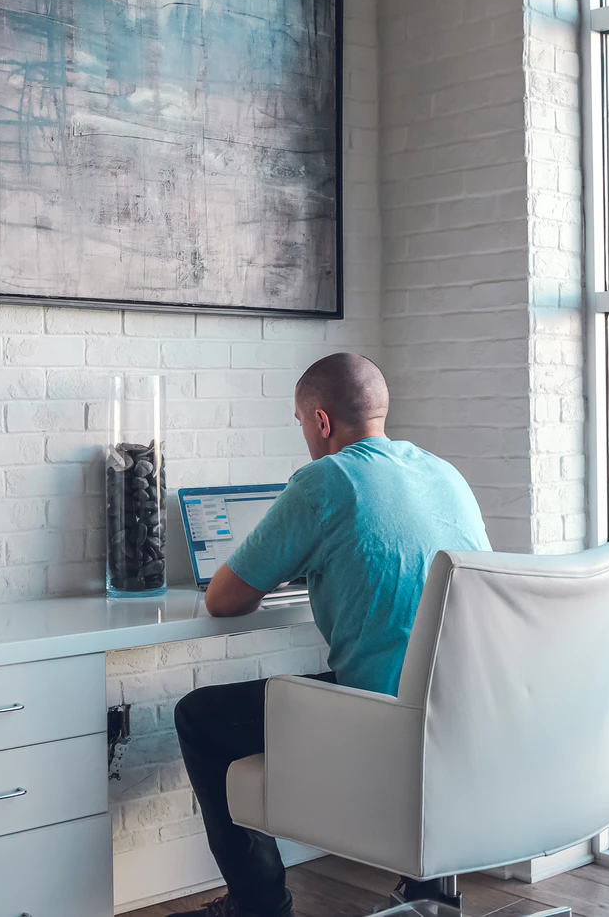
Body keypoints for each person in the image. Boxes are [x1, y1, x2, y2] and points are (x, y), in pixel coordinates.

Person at [171, 352, 490, 917]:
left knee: (200, 714)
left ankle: (258, 907)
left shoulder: (325, 479)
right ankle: (425, 890)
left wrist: (289, 563)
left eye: (300, 423)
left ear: (320, 421)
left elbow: (222, 600)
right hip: (471, 713)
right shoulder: (444, 472)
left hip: (385, 723)